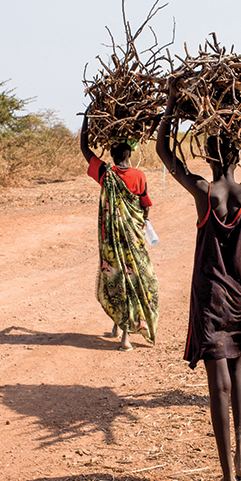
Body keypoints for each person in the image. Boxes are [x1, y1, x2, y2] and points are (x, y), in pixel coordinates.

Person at [156, 80, 241, 481]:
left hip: (212, 299)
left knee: (217, 382)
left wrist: (169, 108)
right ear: (235, 153)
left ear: (208, 152)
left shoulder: (205, 193)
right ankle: (240, 460)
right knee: (238, 370)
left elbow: (166, 155)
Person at [80, 112, 159, 350]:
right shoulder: (139, 176)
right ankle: (123, 332)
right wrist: (139, 223)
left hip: (112, 241)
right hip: (134, 239)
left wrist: (86, 119)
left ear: (112, 154)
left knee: (116, 279)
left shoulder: (107, 174)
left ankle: (122, 330)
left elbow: (85, 150)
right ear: (130, 153)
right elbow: (145, 206)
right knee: (135, 279)